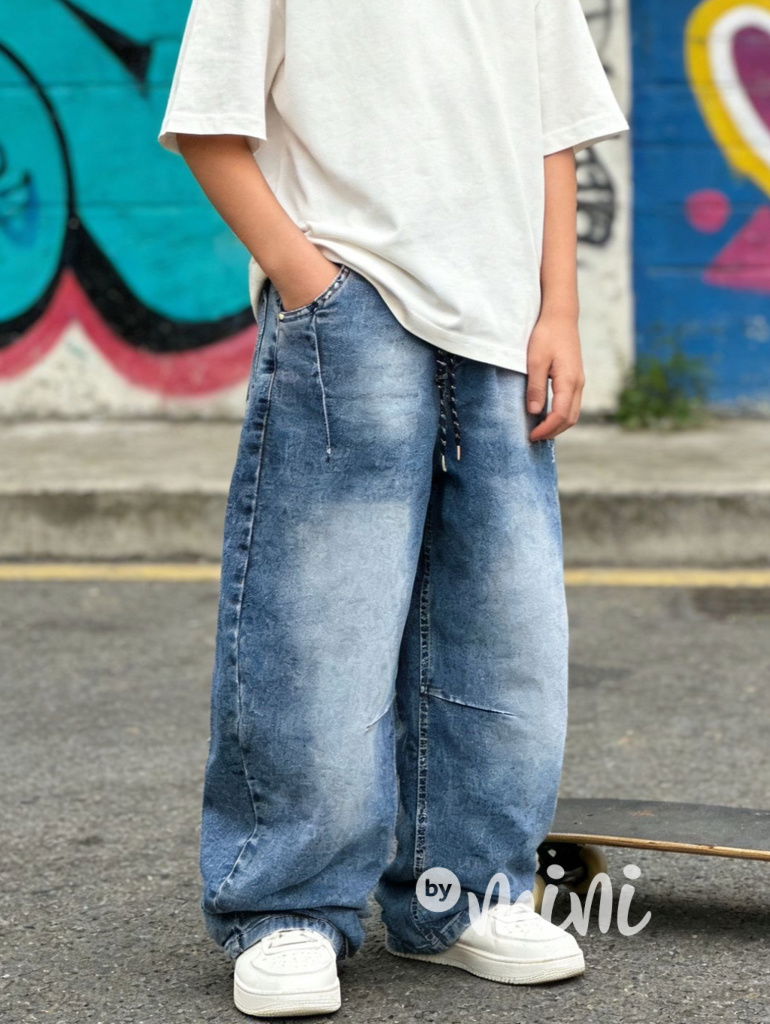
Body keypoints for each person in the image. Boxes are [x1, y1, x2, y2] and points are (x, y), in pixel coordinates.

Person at [158, 0, 629, 1016]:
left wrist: (559, 307)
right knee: (318, 626)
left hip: (503, 323)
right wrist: (310, 283)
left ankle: (462, 896)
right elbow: (206, 122)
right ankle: (284, 909)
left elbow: (552, 129)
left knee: (504, 634)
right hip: (351, 305)